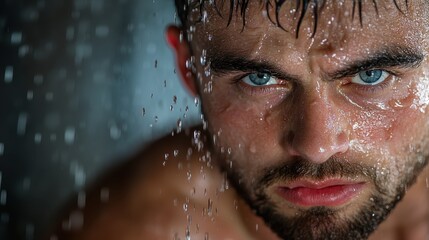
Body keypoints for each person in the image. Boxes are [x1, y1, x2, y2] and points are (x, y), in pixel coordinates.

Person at [52, 0, 429, 239]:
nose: (316, 146)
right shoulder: (140, 227)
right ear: (189, 67)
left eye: (372, 76)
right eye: (259, 79)